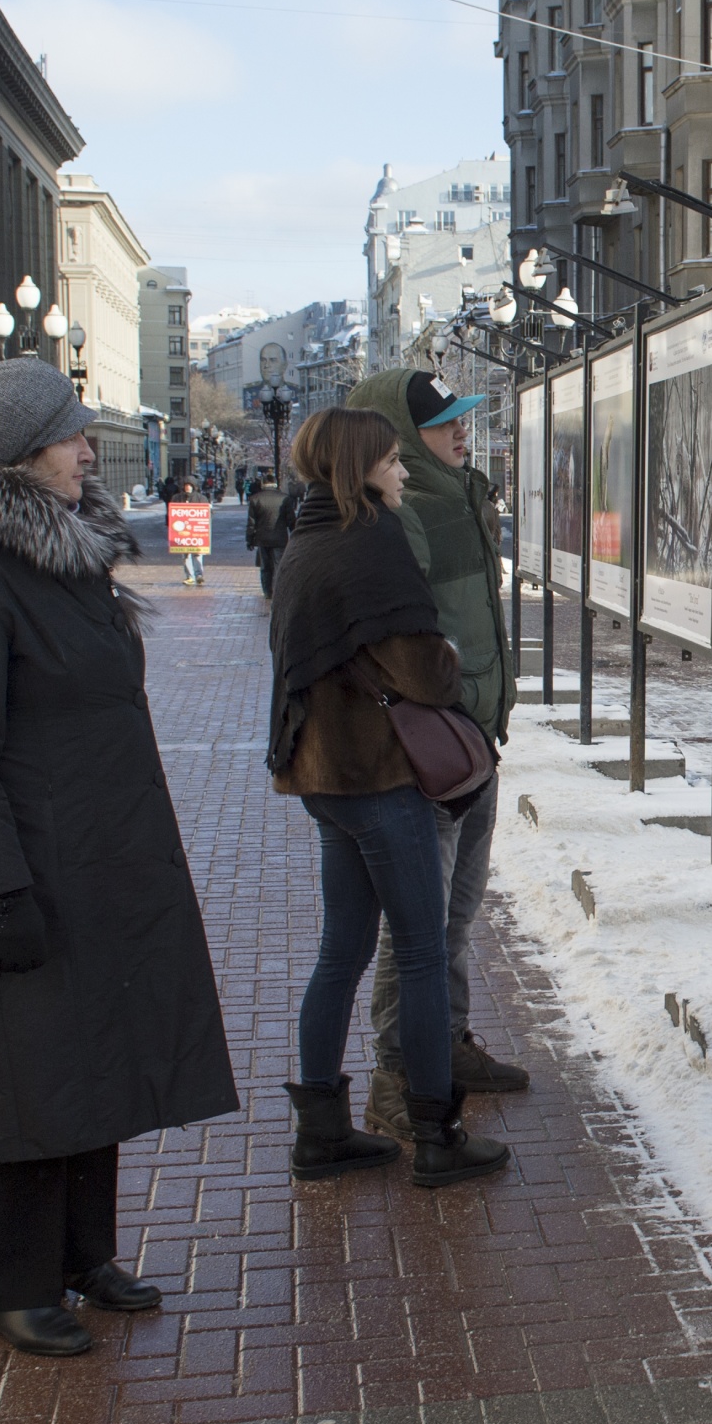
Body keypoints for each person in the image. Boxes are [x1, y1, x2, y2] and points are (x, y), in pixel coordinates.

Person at [0, 358, 238, 1358]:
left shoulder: (62, 555)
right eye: (71, 435)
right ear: (14, 452)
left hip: (100, 852)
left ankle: (87, 1255)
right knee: (21, 1073)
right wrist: (0, 889)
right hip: (19, 866)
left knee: (95, 1053)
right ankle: (12, 1284)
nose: (89, 450)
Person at [267, 406, 510, 1188]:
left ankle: (322, 1132)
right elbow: (423, 671)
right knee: (421, 949)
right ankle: (437, 1134)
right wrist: (442, 654)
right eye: (392, 461)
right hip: (377, 776)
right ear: (362, 466)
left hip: (322, 776)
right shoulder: (370, 540)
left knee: (342, 951)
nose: (403, 471)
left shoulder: (304, 536)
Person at [356, 370, 527, 1140]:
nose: (462, 433)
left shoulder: (459, 496)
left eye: (465, 419)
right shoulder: (408, 514)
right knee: (418, 928)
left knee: (454, 918)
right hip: (436, 750)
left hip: (471, 740)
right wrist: (447, 705)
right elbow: (406, 642)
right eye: (444, 423)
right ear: (396, 435)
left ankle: (445, 1043)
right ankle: (398, 1072)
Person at [245, 473, 299, 599]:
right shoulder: (284, 499)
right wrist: (295, 535)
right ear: (275, 484)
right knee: (278, 565)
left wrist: (250, 540)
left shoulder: (255, 499)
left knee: (265, 567)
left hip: (262, 538)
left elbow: (251, 523)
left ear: (263, 483)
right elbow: (291, 520)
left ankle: (267, 591)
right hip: (280, 538)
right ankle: (277, 590)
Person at [175, 479, 208, 585]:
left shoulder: (201, 498)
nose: (187, 487)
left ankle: (199, 575)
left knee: (197, 554)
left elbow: (207, 513)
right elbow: (172, 514)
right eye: (186, 485)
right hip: (183, 533)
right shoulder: (177, 498)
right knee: (185, 555)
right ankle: (190, 576)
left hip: (197, 533)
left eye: (190, 485)